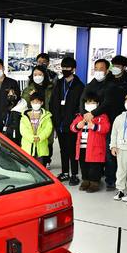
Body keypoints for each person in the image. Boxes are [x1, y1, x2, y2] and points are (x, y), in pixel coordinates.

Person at [81, 58, 123, 191]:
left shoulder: (111, 85)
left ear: (107, 70)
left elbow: (107, 103)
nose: (98, 71)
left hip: (107, 122)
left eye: (101, 69)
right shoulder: (90, 85)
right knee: (91, 152)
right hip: (90, 124)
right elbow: (82, 101)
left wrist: (93, 113)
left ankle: (110, 180)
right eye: (96, 69)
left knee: (107, 153)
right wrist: (84, 115)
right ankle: (89, 178)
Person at [50, 57, 85, 185]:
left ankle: (74, 174)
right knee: (63, 149)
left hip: (72, 124)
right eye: (63, 68)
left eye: (68, 68)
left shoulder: (79, 86)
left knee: (72, 150)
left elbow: (81, 105)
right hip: (59, 123)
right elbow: (53, 102)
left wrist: (76, 120)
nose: (65, 70)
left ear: (73, 69)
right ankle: (65, 172)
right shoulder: (58, 83)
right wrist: (55, 120)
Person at [70, 92, 110, 192]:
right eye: (88, 102)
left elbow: (106, 128)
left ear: (97, 104)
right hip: (82, 147)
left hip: (96, 147)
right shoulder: (80, 116)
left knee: (95, 166)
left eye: (93, 102)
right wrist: (77, 126)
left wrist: (94, 126)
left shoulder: (102, 116)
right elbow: (72, 127)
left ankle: (94, 182)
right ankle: (86, 180)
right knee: (83, 165)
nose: (90, 104)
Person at [19, 65, 53, 150]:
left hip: (46, 119)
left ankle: (46, 161)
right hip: (32, 120)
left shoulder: (51, 88)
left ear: (44, 75)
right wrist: (29, 96)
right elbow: (24, 104)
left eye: (40, 74)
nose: (37, 76)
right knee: (32, 143)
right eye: (35, 74)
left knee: (46, 141)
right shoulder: (28, 90)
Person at [19, 91, 53, 166]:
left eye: (37, 102)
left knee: (40, 167)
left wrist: (40, 137)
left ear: (42, 103)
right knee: (29, 167)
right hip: (28, 147)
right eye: (33, 102)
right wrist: (32, 138)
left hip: (41, 147)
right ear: (30, 103)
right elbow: (23, 130)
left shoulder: (46, 116)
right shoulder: (25, 116)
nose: (35, 104)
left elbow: (48, 129)